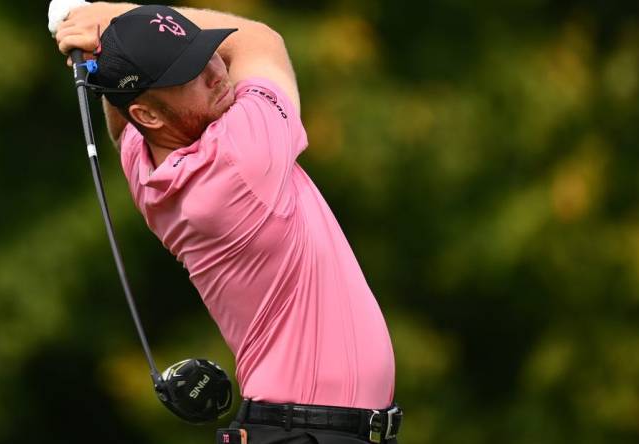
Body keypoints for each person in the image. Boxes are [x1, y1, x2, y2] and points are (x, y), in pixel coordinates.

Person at [54, 2, 401, 443]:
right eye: (190, 77)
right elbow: (261, 41)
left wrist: (107, 44)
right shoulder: (240, 156)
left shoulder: (145, 166)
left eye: (206, 54)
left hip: (296, 429)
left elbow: (123, 125)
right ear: (149, 115)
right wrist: (111, 12)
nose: (216, 73)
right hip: (306, 431)